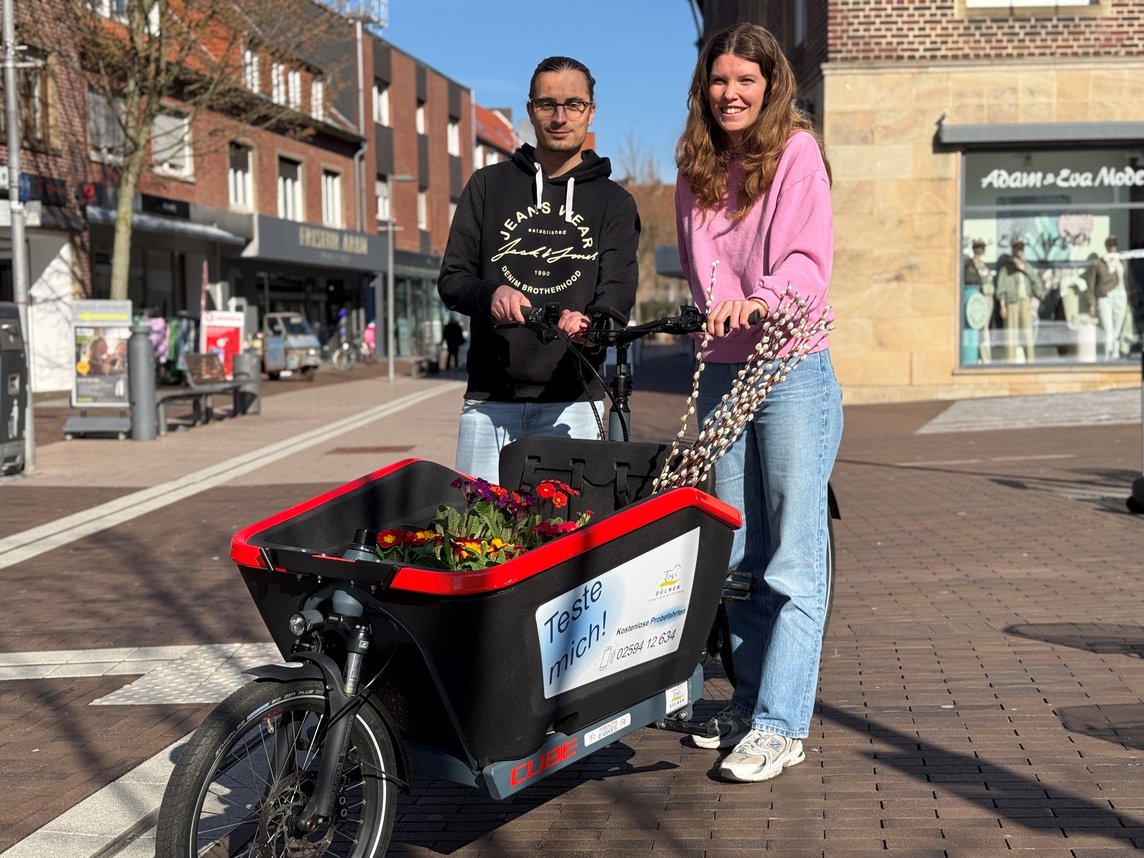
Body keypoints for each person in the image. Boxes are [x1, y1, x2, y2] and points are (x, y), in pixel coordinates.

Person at [674, 23, 843, 783]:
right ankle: (746, 704)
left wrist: (760, 300)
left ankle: (782, 724)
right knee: (737, 556)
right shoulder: (697, 165)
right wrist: (714, 309)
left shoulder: (797, 153)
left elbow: (806, 260)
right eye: (719, 80)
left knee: (793, 559)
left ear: (770, 85)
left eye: (746, 80)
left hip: (790, 365)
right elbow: (702, 265)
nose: (731, 93)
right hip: (723, 370)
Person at [438, 55, 640, 483]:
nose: (560, 117)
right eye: (548, 104)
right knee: (476, 523)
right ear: (530, 110)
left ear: (591, 111)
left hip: (573, 404)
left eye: (573, 104)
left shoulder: (615, 203)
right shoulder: (487, 186)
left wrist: (593, 325)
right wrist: (491, 293)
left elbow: (618, 288)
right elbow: (453, 279)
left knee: (567, 525)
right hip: (489, 403)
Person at [995, 238, 1043, 362]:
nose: (1021, 251)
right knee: (1011, 334)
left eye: (1022, 248)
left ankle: (1030, 361)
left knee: (1028, 334)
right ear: (1013, 250)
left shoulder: (1027, 267)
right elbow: (1001, 288)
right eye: (1018, 248)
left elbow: (1036, 282)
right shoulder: (1007, 268)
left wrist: (1037, 297)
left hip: (1025, 302)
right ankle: (1010, 361)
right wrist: (1002, 305)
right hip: (1012, 303)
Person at [1085, 235, 1128, 360]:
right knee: (1108, 329)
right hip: (1105, 297)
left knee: (1117, 329)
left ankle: (1116, 354)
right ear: (1106, 246)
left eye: (1114, 244)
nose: (1112, 247)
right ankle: (1107, 356)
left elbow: (1127, 280)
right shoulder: (1099, 263)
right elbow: (1091, 285)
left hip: (1120, 296)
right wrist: (1092, 303)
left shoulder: (1122, 261)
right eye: (1110, 244)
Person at [964, 239, 995, 362]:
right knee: (981, 329)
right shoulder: (970, 266)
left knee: (985, 329)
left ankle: (984, 357)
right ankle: (983, 357)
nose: (980, 251)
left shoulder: (983, 266)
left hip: (988, 298)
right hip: (978, 298)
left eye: (981, 248)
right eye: (978, 248)